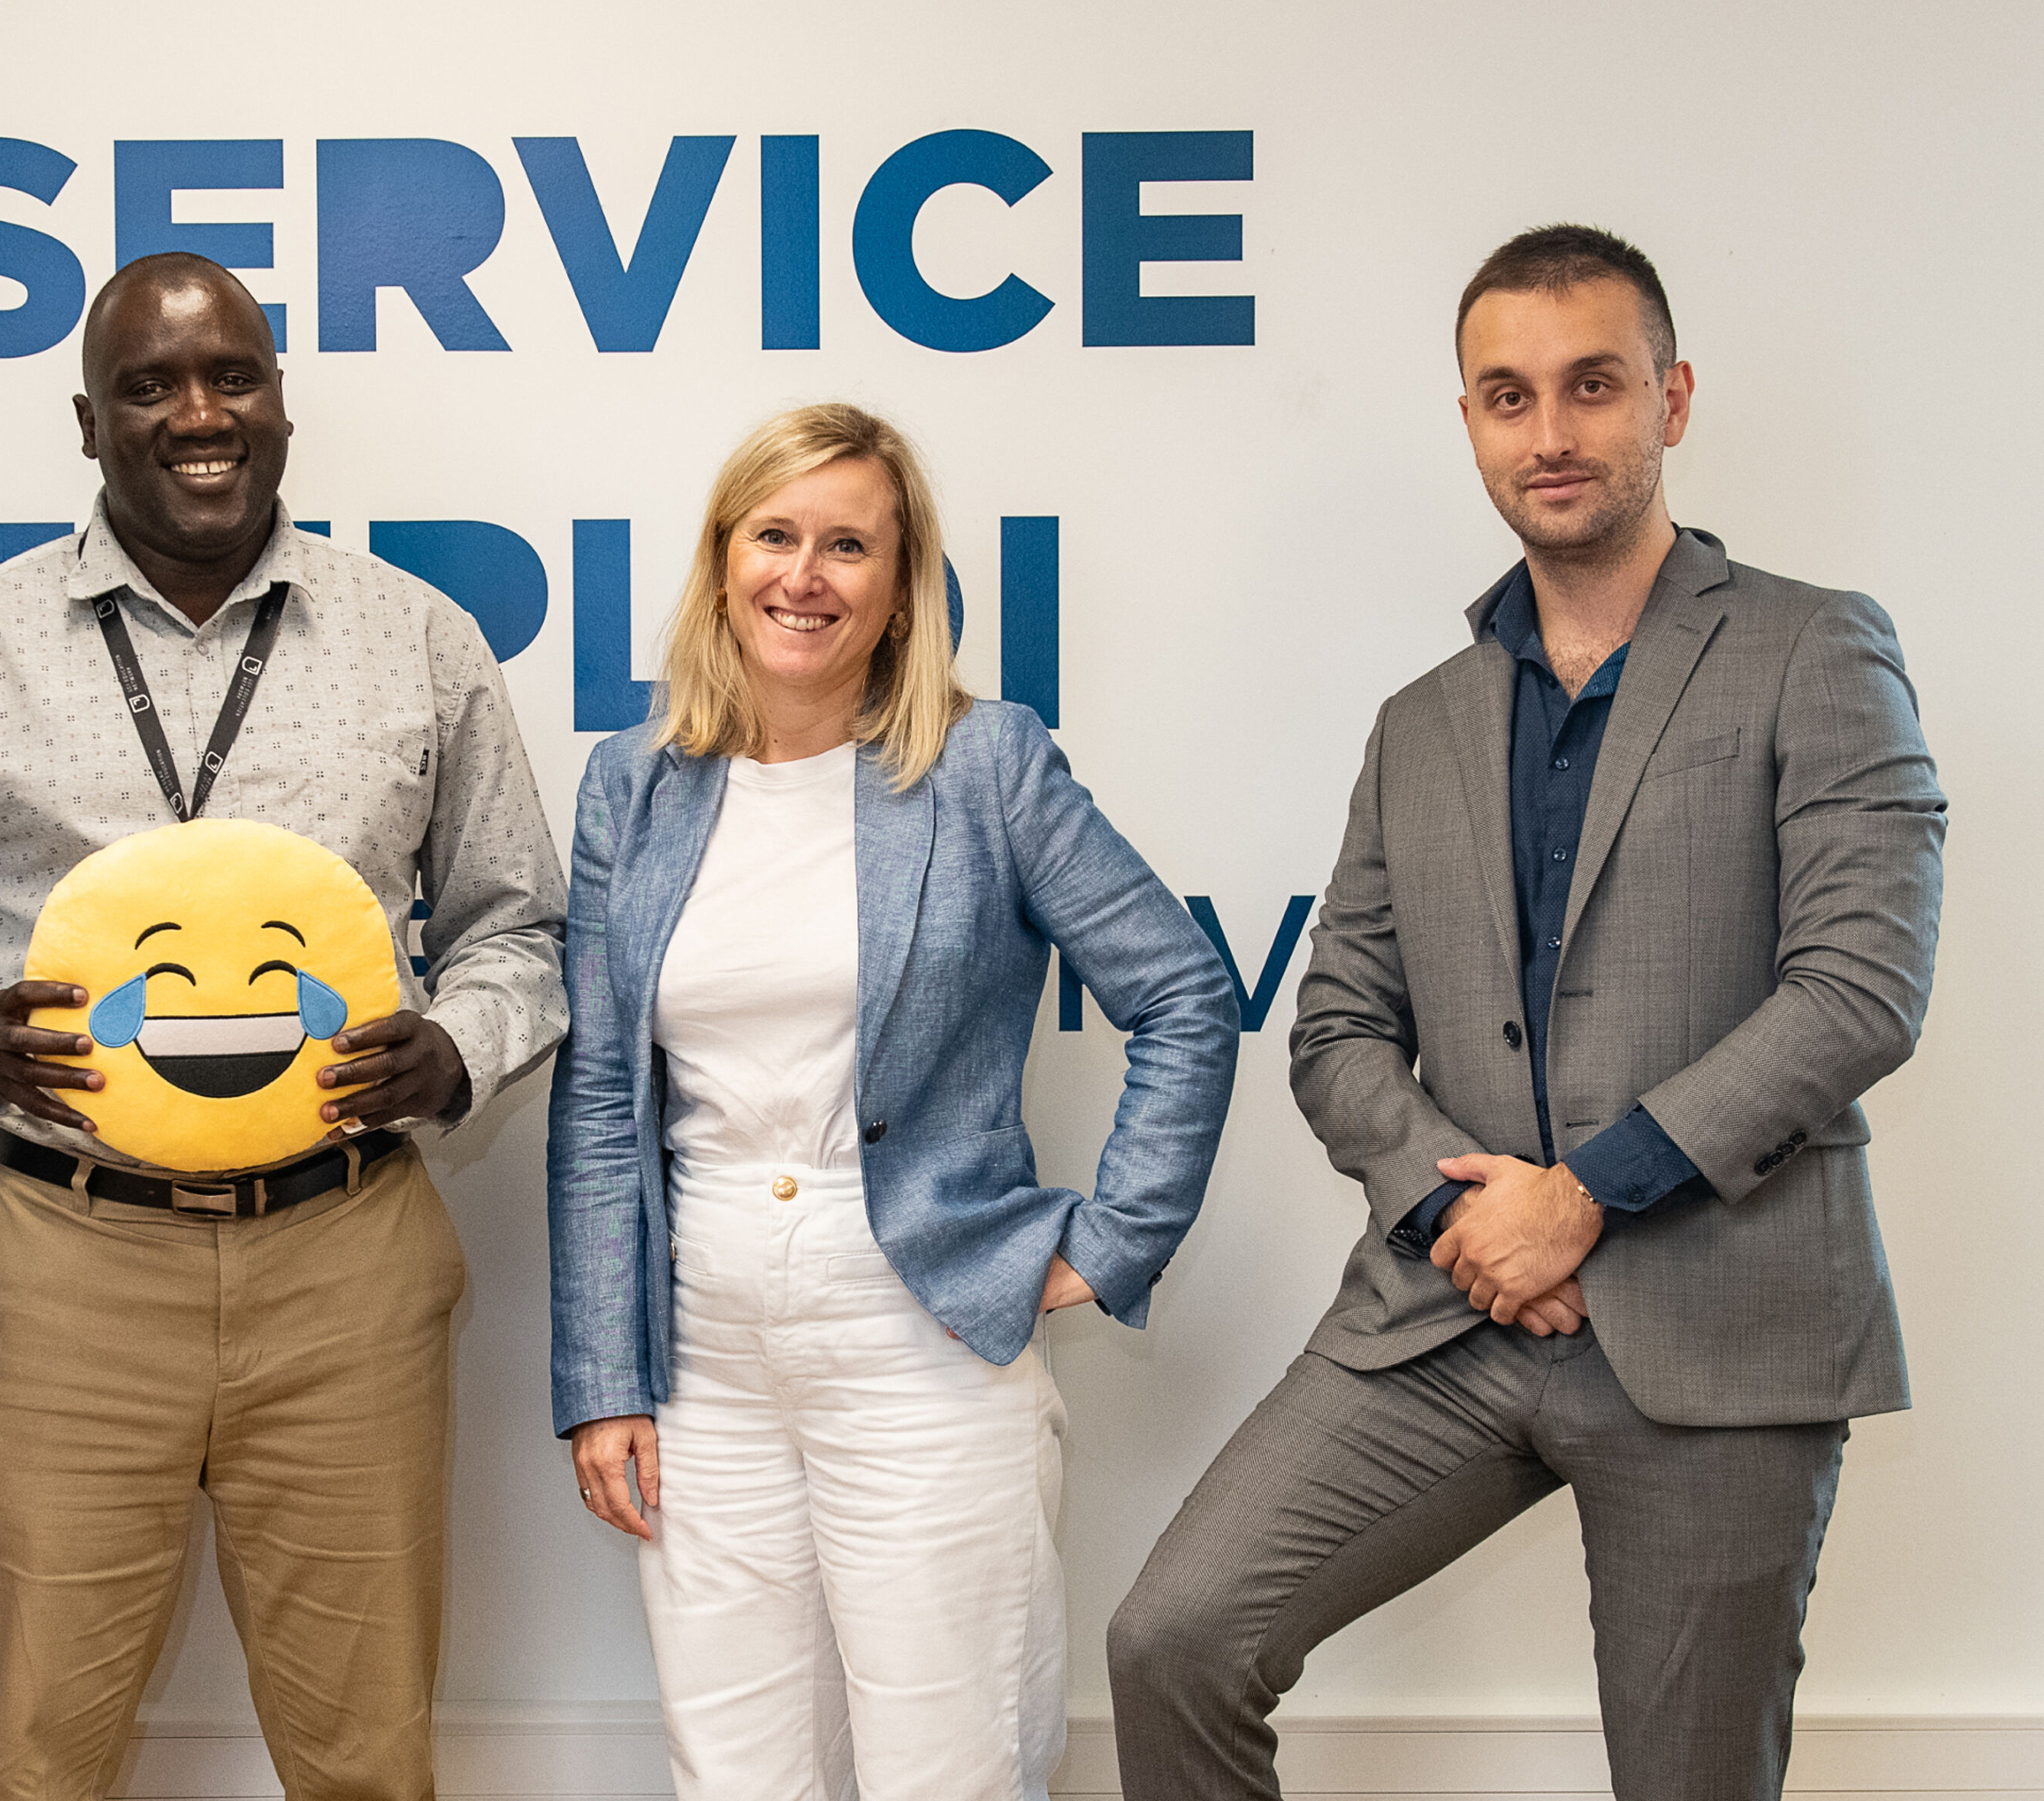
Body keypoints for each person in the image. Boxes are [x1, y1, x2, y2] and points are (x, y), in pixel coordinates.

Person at [1107, 227, 1945, 1801]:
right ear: (1474, 422)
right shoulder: (1421, 723)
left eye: (1592, 385)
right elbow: (1338, 1023)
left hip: (1722, 1317)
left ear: (1673, 400)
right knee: (1175, 1638)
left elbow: (1859, 987)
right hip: (1452, 1313)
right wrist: (1452, 1207)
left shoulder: (1813, 648)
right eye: (1507, 396)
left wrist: (1586, 1197)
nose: (1550, 433)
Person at [0, 251, 568, 1800]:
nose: (199, 413)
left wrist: (459, 1050)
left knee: (370, 1760)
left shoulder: (420, 642)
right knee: (31, 1758)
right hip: (64, 1263)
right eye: (151, 383)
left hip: (348, 1262)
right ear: (88, 420)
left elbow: (520, 926)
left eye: (233, 376)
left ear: (283, 405)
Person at [549, 403, 1242, 1800]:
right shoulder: (633, 783)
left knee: (952, 1761)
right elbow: (604, 1101)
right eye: (776, 536)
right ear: (722, 559)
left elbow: (1185, 995)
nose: (805, 575)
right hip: (704, 1352)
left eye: (847, 544)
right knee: (737, 1768)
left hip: (921, 1330)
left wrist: (1107, 1246)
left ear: (900, 580)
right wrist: (601, 1376)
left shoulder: (987, 765)